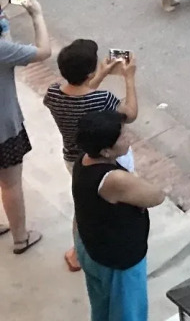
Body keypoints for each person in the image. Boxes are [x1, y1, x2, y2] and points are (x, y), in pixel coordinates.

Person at [43, 42, 139, 273]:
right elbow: (131, 115)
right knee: (112, 205)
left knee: (83, 204)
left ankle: (77, 252)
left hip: (73, 159)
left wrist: (101, 74)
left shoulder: (53, 93)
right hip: (105, 161)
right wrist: (129, 78)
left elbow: (81, 93)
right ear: (88, 73)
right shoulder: (103, 100)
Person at [72, 110, 166, 321]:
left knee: (102, 309)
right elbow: (156, 196)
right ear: (106, 151)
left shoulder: (84, 161)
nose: (129, 138)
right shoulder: (114, 180)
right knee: (129, 315)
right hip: (118, 260)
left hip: (90, 246)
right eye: (122, 136)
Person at [0, 0, 51, 255]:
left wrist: (4, 30)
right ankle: (20, 238)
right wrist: (36, 15)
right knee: (10, 183)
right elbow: (43, 51)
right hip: (3, 129)